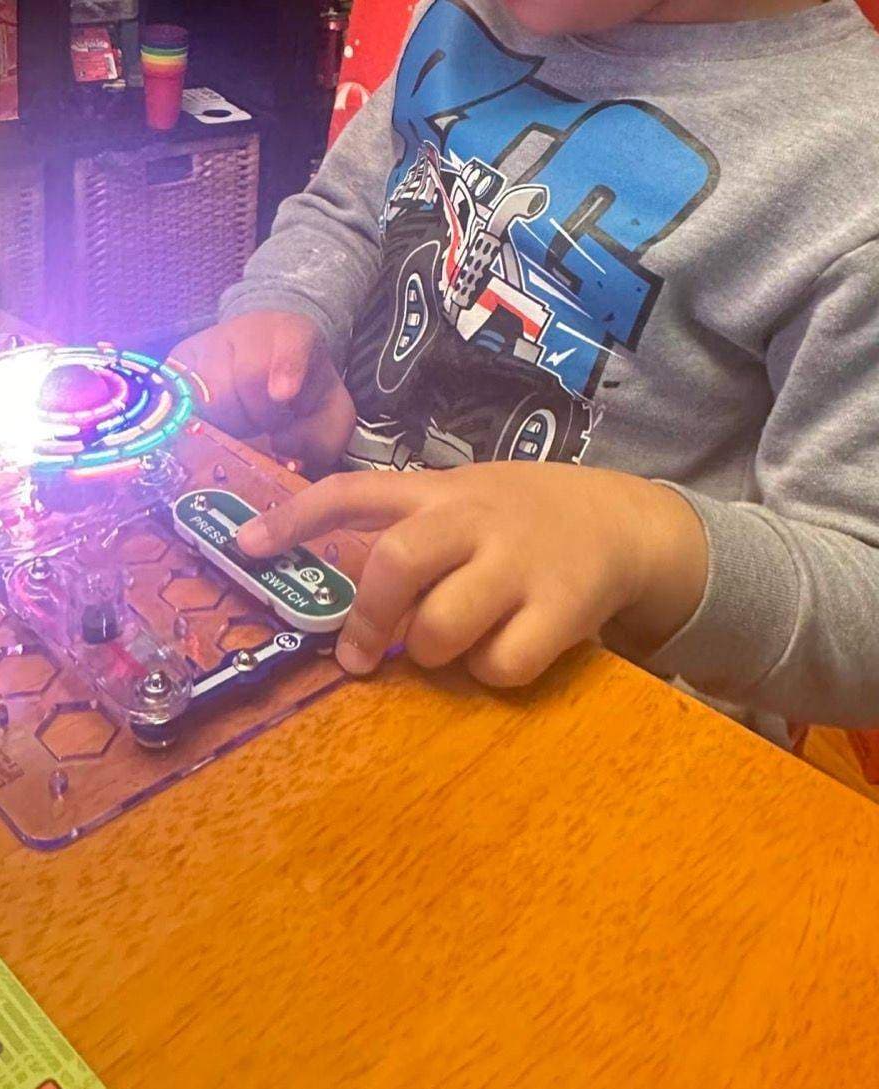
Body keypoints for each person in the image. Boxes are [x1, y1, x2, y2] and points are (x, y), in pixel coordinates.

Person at [171, 0, 879, 744]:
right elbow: (350, 210)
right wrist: (288, 310)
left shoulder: (852, 164)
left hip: (602, 745)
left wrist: (641, 541)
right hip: (330, 622)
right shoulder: (468, 15)